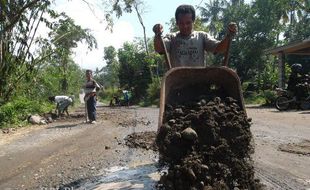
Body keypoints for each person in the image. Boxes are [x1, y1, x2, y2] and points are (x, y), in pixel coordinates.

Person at [153, 4, 237, 68]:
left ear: (194, 21)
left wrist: (229, 35)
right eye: (181, 23)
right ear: (177, 23)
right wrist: (157, 35)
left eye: (188, 23)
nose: (185, 26)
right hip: (177, 85)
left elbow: (220, 48)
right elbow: (159, 48)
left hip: (199, 83)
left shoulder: (202, 36)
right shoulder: (171, 37)